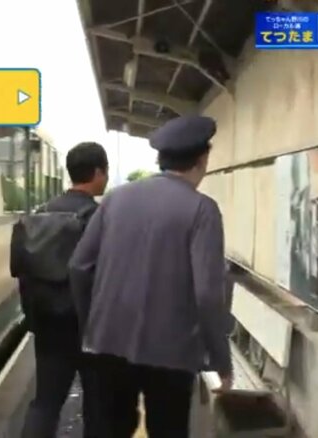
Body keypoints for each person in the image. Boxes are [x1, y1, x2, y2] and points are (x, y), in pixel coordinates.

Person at [69, 115, 233, 438]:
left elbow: (78, 266)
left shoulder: (115, 199)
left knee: (107, 430)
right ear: (202, 159)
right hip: (172, 353)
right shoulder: (203, 210)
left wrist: (92, 326)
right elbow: (208, 294)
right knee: (168, 430)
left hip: (107, 344)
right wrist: (220, 359)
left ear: (160, 159)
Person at [10, 142, 109, 438]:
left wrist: (34, 318)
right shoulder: (101, 218)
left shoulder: (38, 216)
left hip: (49, 323)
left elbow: (22, 272)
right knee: (98, 406)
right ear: (98, 172)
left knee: (45, 403)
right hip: (93, 329)